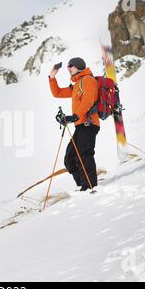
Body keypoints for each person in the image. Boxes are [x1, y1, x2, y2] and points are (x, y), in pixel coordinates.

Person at [48, 57, 100, 191]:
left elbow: (88, 101)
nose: (68, 68)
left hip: (89, 123)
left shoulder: (88, 80)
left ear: (79, 66)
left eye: (71, 66)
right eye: (68, 66)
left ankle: (89, 185)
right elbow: (57, 93)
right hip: (80, 125)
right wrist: (52, 77)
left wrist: (75, 116)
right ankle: (83, 185)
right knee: (69, 158)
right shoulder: (76, 85)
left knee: (84, 154)